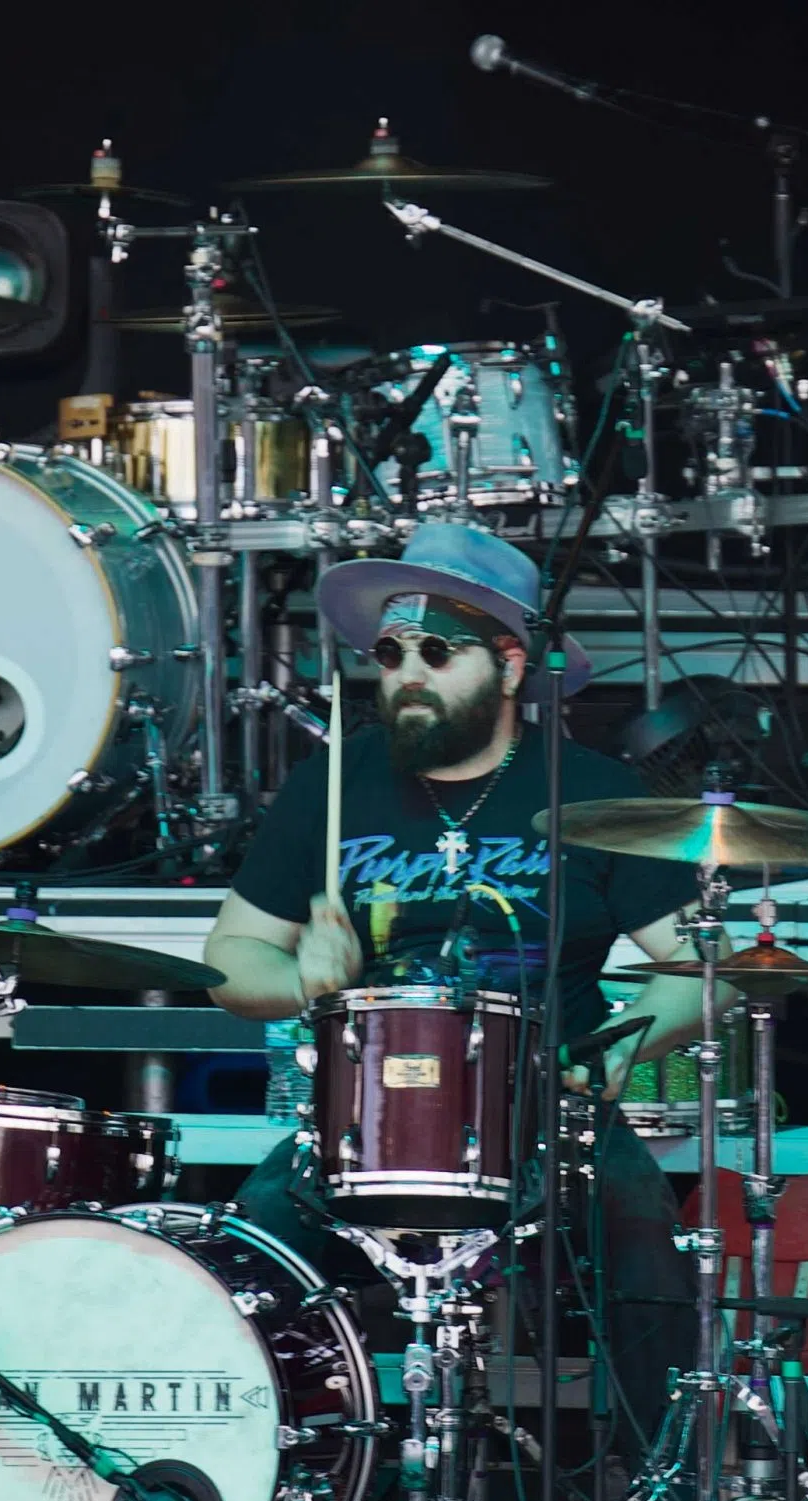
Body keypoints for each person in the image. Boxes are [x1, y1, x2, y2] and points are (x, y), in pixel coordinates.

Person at [203, 522, 708, 1442]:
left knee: (646, 1254)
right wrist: (301, 976)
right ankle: (280, 1482)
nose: (407, 674)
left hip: (550, 1108)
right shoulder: (332, 784)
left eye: (436, 652)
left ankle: (657, 1496)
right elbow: (230, 958)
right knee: (249, 1259)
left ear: (510, 667)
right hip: (361, 1117)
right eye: (390, 654)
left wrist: (615, 1051)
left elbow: (702, 969)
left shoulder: (594, 790)